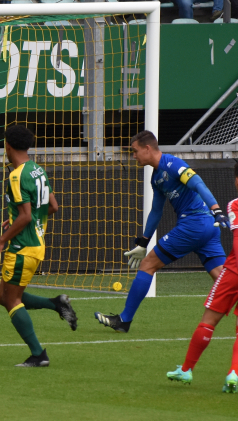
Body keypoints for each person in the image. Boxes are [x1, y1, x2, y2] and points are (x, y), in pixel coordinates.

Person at [95, 131, 230, 333]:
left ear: (147, 148)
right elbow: (156, 211)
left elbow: (198, 183)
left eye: (135, 151)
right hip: (207, 228)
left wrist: (216, 209)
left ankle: (124, 320)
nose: (133, 156)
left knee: (148, 264)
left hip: (193, 224)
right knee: (225, 278)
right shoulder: (156, 177)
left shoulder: (172, 164)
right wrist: (143, 241)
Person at [167, 160, 238, 393]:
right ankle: (233, 374)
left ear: (237, 181)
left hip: (236, 272)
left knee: (208, 321)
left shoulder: (237, 203)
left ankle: (187, 370)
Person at [0, 125, 78, 368]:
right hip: (36, 244)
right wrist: (17, 217)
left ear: (8, 146)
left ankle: (39, 354)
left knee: (12, 300)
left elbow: (26, 216)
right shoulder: (37, 169)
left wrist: (0, 241)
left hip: (22, 248)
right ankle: (56, 303)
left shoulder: (16, 176)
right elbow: (53, 207)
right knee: (2, 297)